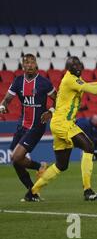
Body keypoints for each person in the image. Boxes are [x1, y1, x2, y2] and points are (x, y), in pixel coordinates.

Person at [30, 56, 97, 201]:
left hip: (60, 123)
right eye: (73, 65)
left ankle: (33, 191)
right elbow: (92, 90)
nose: (77, 67)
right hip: (63, 123)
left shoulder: (74, 78)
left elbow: (89, 85)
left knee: (61, 165)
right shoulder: (70, 79)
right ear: (68, 68)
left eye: (78, 64)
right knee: (88, 146)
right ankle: (87, 190)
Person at [0, 54, 56, 201]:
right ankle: (33, 192)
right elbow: (7, 99)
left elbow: (59, 99)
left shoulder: (44, 83)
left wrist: (50, 112)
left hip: (36, 126)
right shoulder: (18, 81)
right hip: (22, 126)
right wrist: (2, 106)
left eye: (32, 62)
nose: (29, 65)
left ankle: (40, 166)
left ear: (36, 64)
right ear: (23, 65)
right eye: (27, 63)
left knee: (16, 157)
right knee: (15, 161)